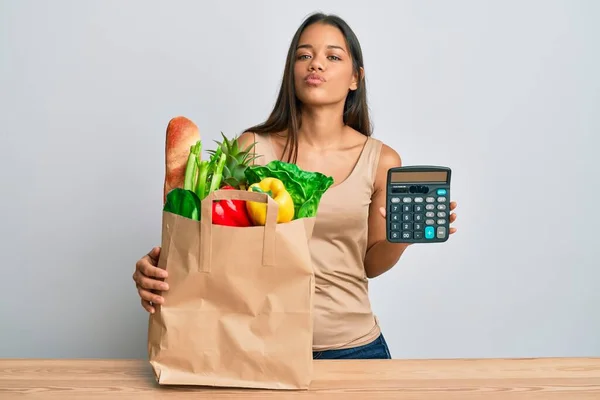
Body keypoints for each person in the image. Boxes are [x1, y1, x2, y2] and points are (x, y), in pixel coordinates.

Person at [133, 12, 458, 360]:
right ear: (292, 71)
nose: (316, 64)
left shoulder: (381, 161)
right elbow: (214, 249)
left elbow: (368, 266)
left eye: (333, 57)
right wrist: (156, 268)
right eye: (304, 55)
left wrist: (401, 238)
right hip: (259, 347)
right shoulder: (251, 149)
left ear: (355, 78)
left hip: (353, 348)